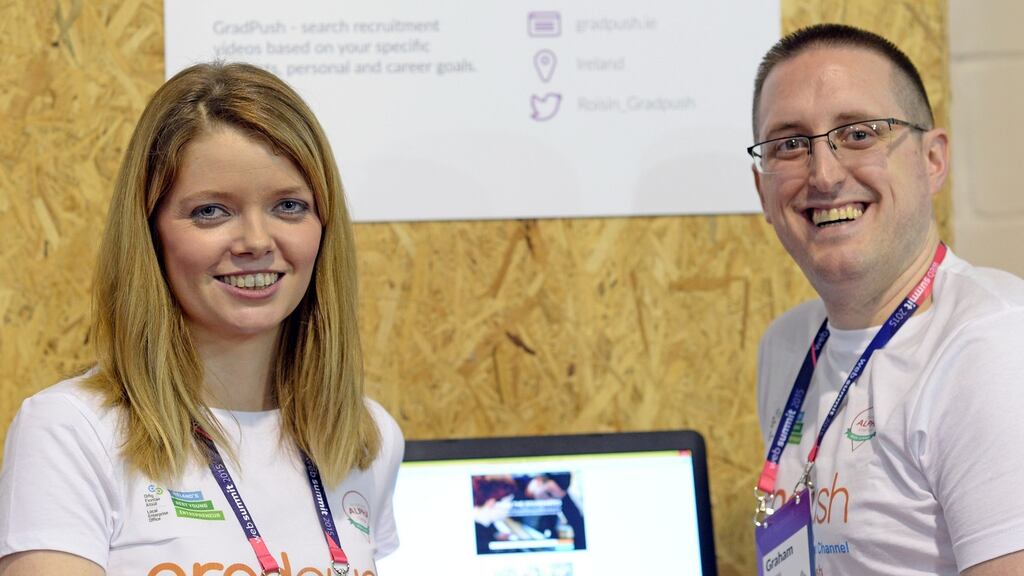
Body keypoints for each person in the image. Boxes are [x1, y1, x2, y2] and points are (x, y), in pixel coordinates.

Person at [0, 62, 404, 575]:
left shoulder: (367, 437)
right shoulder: (73, 431)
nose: (256, 241)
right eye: (211, 211)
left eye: (288, 206)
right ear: (151, 234)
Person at [749, 24, 1024, 575]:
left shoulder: (992, 347)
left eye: (859, 134)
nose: (824, 174)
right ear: (762, 190)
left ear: (932, 160)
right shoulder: (788, 346)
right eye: (790, 145)